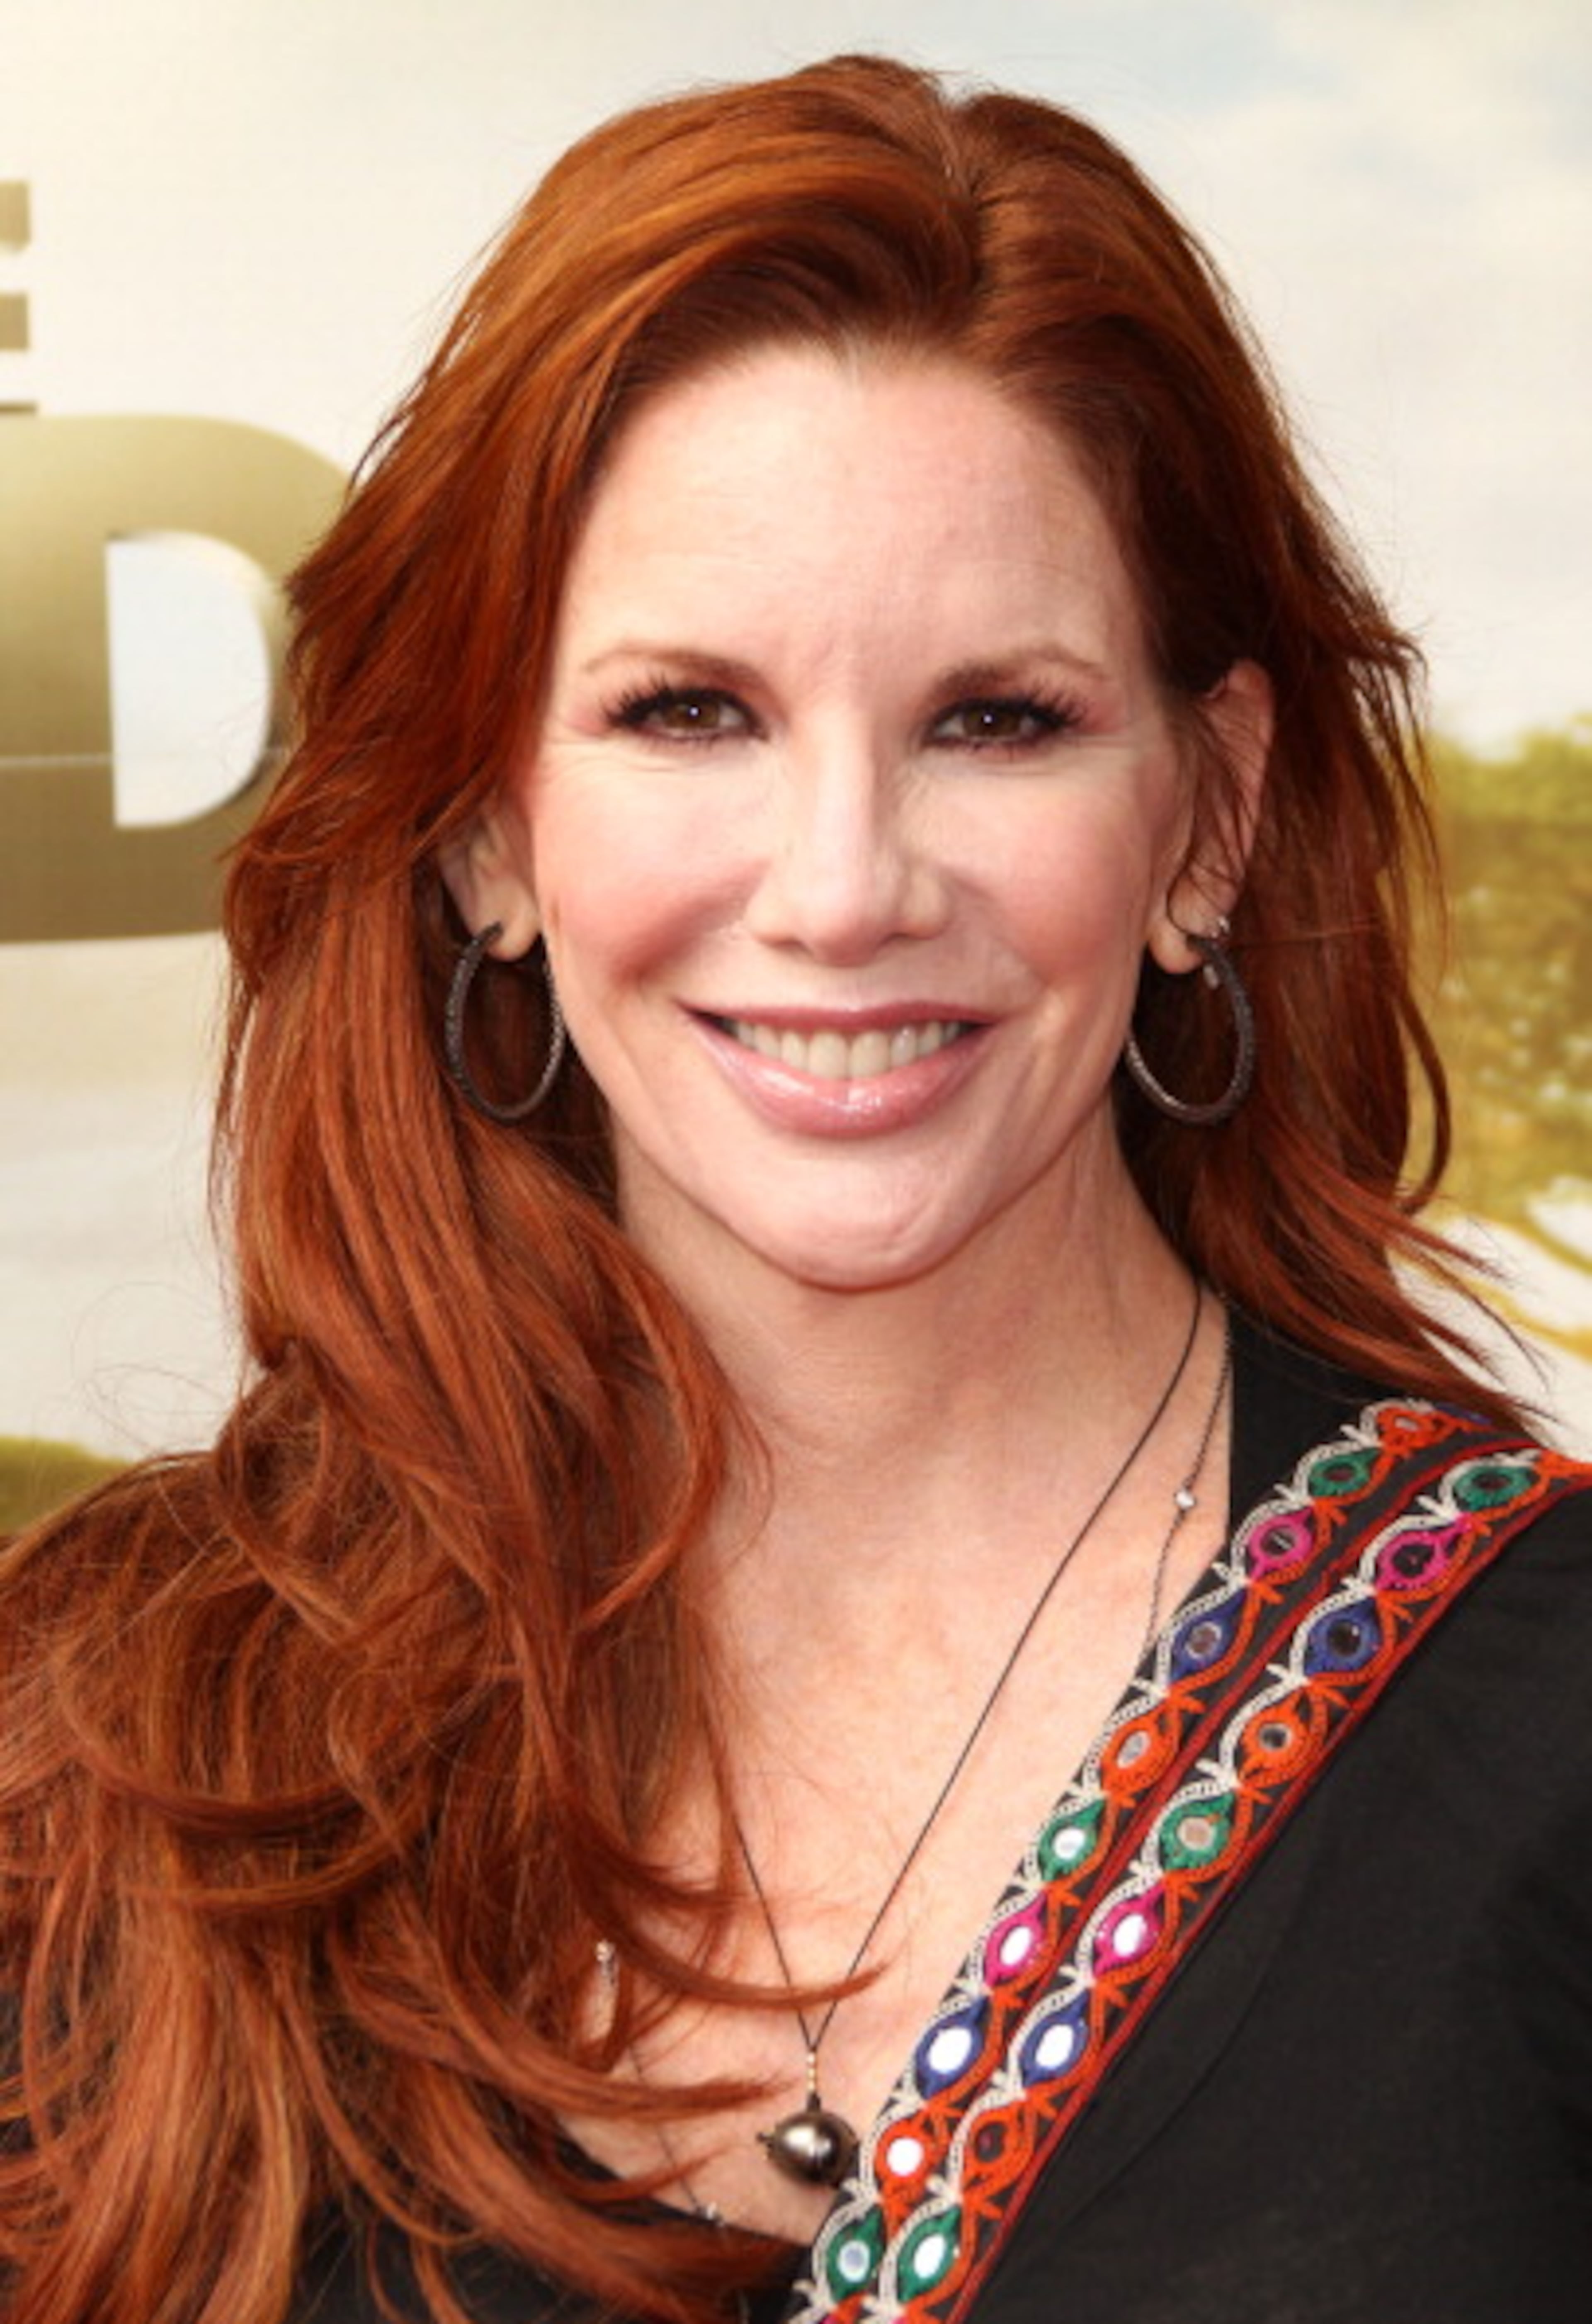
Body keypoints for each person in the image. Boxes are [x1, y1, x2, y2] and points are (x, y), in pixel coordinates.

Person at [2, 51, 1589, 2324]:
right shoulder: (101, 1746)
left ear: (1211, 822)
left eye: (997, 719)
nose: (843, 889)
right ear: (479, 826)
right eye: (687, 713)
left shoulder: (1553, 1728)